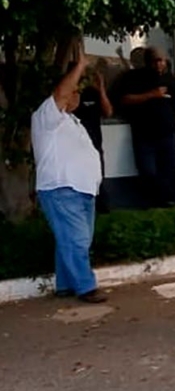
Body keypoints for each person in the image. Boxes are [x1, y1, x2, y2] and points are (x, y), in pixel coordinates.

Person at [33, 41, 106, 304]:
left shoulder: (71, 120)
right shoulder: (47, 116)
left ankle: (65, 285)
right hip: (61, 188)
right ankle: (86, 287)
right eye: (74, 91)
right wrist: (81, 66)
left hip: (82, 189)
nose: (77, 96)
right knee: (77, 240)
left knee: (72, 239)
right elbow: (61, 93)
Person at [118, 46, 175, 207]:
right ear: (148, 62)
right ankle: (153, 204)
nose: (159, 64)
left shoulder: (170, 79)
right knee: (148, 172)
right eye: (156, 61)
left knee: (169, 171)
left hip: (167, 133)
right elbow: (124, 100)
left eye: (162, 61)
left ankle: (171, 201)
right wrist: (152, 95)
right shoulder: (135, 77)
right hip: (144, 133)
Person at [73, 60, 114, 214]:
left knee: (98, 179)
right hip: (75, 146)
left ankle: (102, 210)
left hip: (94, 144)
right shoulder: (71, 97)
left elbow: (108, 112)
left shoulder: (93, 93)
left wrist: (101, 89)